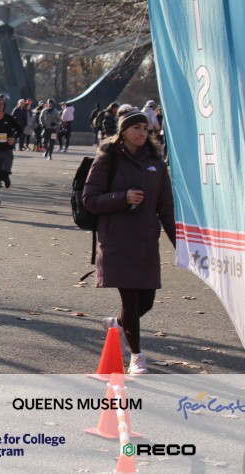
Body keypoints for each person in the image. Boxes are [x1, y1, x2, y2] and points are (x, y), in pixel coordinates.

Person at [82, 109, 176, 375]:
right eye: (136, 128)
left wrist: (180, 243)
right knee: (131, 300)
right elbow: (90, 199)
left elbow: (166, 208)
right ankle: (137, 356)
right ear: (123, 131)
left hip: (146, 240)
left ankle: (117, 325)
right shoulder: (107, 159)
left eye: (145, 129)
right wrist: (122, 198)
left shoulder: (156, 164)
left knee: (146, 302)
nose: (142, 133)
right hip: (117, 240)